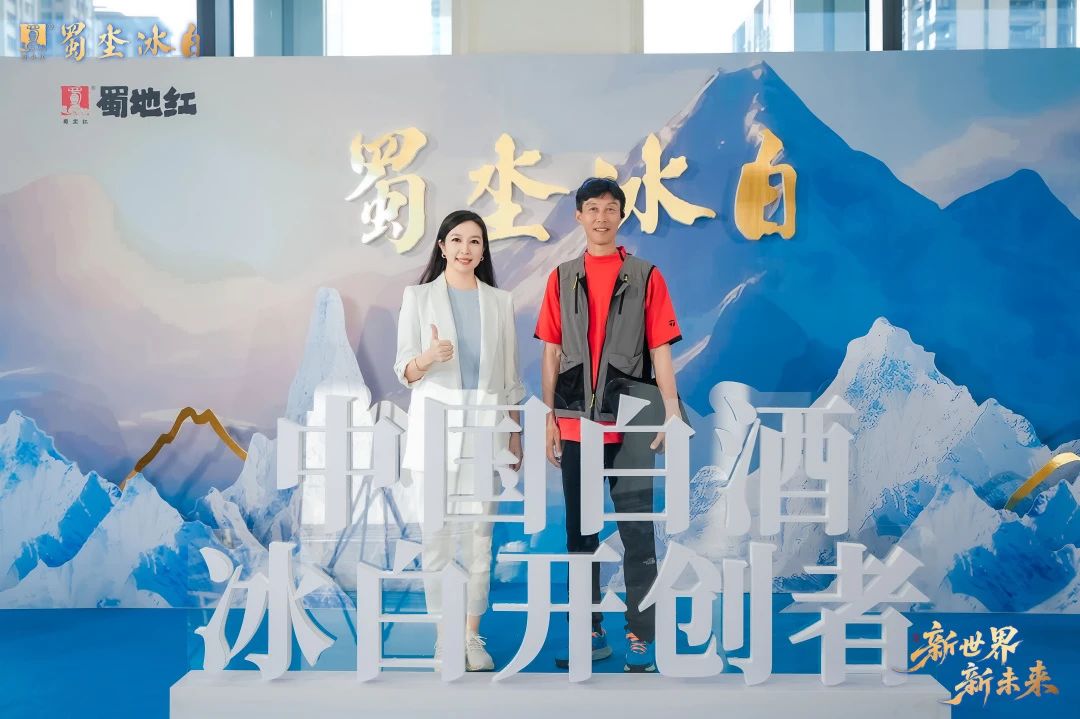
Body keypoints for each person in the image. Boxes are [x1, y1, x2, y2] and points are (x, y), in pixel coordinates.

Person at [535, 178, 684, 673]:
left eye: (610, 208)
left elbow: (660, 349)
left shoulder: (646, 276)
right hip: (577, 423)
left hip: (633, 419)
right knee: (580, 533)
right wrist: (551, 418)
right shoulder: (561, 278)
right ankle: (588, 630)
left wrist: (671, 410)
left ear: (622, 216)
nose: (602, 217)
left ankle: (642, 634)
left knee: (637, 531)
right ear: (578, 216)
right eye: (593, 209)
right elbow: (551, 352)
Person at [394, 210, 525, 672]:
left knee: (479, 536)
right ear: (442, 247)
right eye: (456, 240)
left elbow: (510, 377)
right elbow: (404, 370)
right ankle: (443, 637)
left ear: (483, 251)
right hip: (435, 430)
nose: (465, 249)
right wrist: (428, 357)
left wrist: (514, 434)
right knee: (436, 536)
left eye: (474, 241)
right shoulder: (418, 297)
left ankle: (471, 634)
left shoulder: (499, 302)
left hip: (485, 429)